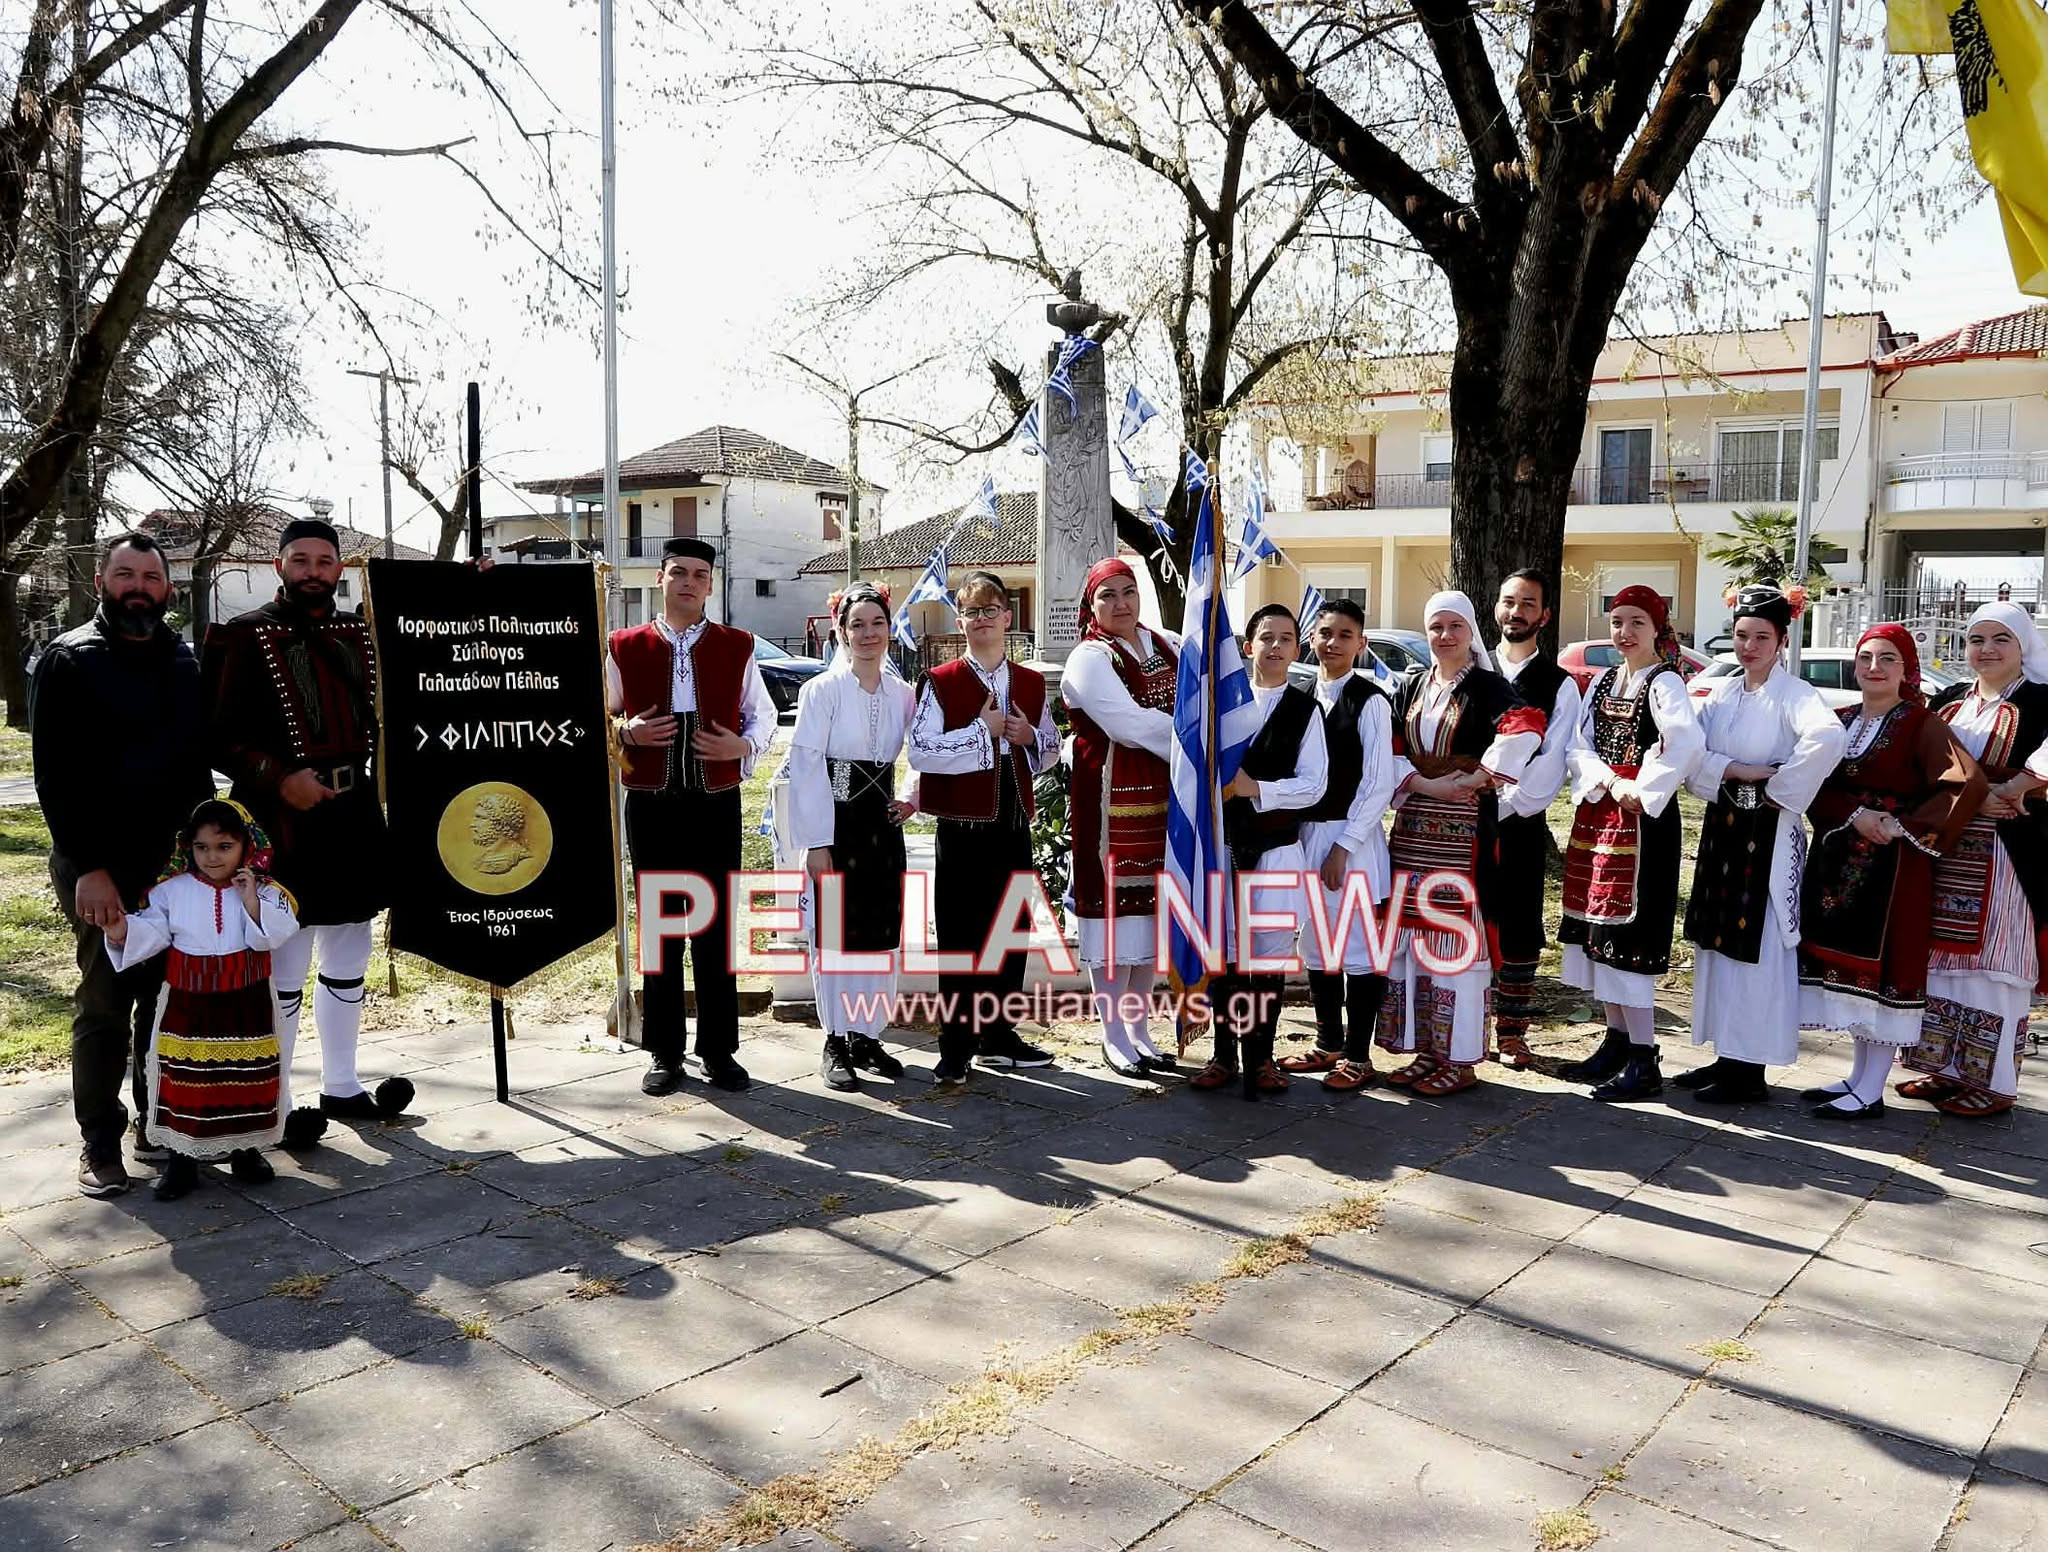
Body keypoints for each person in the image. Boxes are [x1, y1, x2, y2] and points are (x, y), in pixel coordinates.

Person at [203, 517, 409, 1137]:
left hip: (353, 814)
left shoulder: (363, 632)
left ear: (339, 570)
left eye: (325, 561)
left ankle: (342, 1086)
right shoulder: (239, 636)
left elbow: (437, 633)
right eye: (301, 560)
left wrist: (474, 587)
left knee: (350, 948)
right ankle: (278, 1098)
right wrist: (275, 775)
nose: (313, 571)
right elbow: (214, 736)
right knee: (284, 958)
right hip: (279, 819)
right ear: (280, 566)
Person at [30, 532, 216, 1197]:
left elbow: (197, 771)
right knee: (105, 1002)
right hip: (98, 864)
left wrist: (207, 860)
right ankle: (99, 1143)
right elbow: (54, 778)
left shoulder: (184, 660)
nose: (139, 586)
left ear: (168, 588)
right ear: (104, 582)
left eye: (151, 576)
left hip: (171, 865)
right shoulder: (68, 659)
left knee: (164, 1002)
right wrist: (88, 866)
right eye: (125, 574)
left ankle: (155, 1127)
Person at [607, 536, 780, 1095]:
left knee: (712, 925)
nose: (688, 581)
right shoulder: (623, 645)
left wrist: (743, 748)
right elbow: (597, 717)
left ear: (711, 583)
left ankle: (719, 1050)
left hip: (714, 800)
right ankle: (664, 1051)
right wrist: (625, 732)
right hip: (653, 799)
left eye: (699, 574)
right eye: (678, 572)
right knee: (662, 927)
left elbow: (765, 714)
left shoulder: (738, 645)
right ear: (660, 579)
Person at [1799, 625, 1985, 1117]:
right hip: (1840, 860)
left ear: (1906, 670)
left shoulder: (1920, 724)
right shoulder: (1837, 721)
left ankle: (1872, 1089)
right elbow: (1811, 781)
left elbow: (1965, 783)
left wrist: (1905, 825)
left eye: (1888, 658)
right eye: (1866, 658)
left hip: (1896, 866)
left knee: (1883, 971)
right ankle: (1859, 1077)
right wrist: (1853, 814)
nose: (1874, 667)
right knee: (1849, 969)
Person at [1677, 586, 1846, 1105]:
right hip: (1724, 827)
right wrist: (1733, 770)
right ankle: (1727, 1053)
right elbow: (1690, 746)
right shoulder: (1724, 692)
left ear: (1782, 639)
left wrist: (1776, 789)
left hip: (1767, 834)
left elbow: (1829, 739)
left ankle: (1749, 1069)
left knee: (1761, 945)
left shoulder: (1797, 695)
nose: (1748, 646)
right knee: (1720, 943)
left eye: (1761, 637)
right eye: (1741, 635)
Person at [1379, 592, 1545, 1098]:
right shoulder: (1409, 686)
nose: (1444, 636)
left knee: (1455, 944)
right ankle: (1428, 1049)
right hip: (1411, 830)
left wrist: (1482, 776)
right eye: (1435, 627)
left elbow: (1526, 725)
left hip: (1464, 832)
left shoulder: (1489, 686)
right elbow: (1388, 747)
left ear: (1471, 631)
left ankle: (1460, 1059)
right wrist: (1420, 782)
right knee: (1414, 945)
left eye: (1455, 626)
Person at [907, 571, 1061, 1084]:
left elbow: (1051, 752)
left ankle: (997, 1035)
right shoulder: (940, 681)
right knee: (960, 936)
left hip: (1013, 823)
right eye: (971, 612)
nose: (980, 620)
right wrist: (982, 731)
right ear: (960, 620)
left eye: (989, 610)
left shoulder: (1032, 682)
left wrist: (1027, 734)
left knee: (1009, 936)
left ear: (1007, 618)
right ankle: (956, 1044)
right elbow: (922, 751)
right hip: (961, 827)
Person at [104, 801, 300, 1200]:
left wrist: (249, 901)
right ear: (188, 847)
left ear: (247, 845)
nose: (212, 857)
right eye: (202, 847)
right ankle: (182, 1161)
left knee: (247, 1080)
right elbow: (153, 931)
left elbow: (275, 935)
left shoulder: (266, 891)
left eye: (224, 846)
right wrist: (122, 930)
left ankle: (245, 1150)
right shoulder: (170, 891)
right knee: (187, 1083)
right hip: (189, 1004)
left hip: (247, 1003)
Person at [1558, 586, 1704, 1102]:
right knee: (1598, 934)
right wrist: (1607, 781)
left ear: (1657, 628)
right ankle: (1616, 1040)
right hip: (1603, 809)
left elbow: (1684, 741)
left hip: (1641, 821)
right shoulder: (1601, 681)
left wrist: (1639, 788)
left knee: (1630, 936)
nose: (1625, 632)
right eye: (1618, 621)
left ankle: (1645, 1058)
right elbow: (1577, 744)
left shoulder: (1665, 683)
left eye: (1637, 622)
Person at [1905, 602, 2048, 1117]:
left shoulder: (2041, 701)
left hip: (2008, 848)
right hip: (1948, 843)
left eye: (2000, 639)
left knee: (1996, 963)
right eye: (1977, 639)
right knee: (1942, 959)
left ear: (2023, 646)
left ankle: (1997, 1082)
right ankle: (1945, 1069)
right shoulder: (1948, 702)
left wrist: (2020, 783)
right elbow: (1924, 763)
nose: (1986, 650)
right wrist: (1971, 796)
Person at [784, 584, 918, 1091]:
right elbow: (806, 765)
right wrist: (816, 841)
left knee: (880, 933)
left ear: (889, 628)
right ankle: (836, 1037)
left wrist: (910, 795)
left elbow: (925, 749)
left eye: (877, 623)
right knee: (836, 934)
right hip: (836, 825)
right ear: (840, 631)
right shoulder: (821, 690)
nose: (868, 634)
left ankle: (867, 1032)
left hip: (882, 825)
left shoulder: (901, 692)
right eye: (856, 624)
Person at [1200, 603, 1327, 1100]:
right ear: (1247, 646)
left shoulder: (1304, 709)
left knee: (1268, 961)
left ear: (1297, 649)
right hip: (1225, 847)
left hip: (1275, 849)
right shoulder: (1221, 705)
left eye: (1287, 638)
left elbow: (1314, 784)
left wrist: (1257, 788)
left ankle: (1263, 1057)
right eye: (1266, 637)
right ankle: (1223, 1055)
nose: (1276, 647)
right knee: (1228, 958)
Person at [1060, 557, 1179, 1077]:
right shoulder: (1089, 658)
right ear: (1092, 604)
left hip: (1165, 798)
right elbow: (1128, 723)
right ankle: (1112, 1034)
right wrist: (1192, 744)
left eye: (1128, 591)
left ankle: (1139, 1029)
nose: (1121, 603)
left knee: (1148, 919)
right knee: (1115, 919)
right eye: (1108, 595)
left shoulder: (1166, 643)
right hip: (1110, 795)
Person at [1277, 597, 1394, 1091]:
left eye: (1345, 635)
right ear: (1312, 638)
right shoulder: (1298, 697)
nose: (1333, 643)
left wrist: (1345, 845)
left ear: (1361, 643)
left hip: (1353, 838)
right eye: (1326, 633)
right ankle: (1328, 1043)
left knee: (1359, 948)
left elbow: (1378, 783)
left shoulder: (1370, 701)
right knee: (1317, 945)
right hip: (1306, 836)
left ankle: (1359, 1057)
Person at [1488, 569, 1582, 1069]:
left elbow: (1551, 764)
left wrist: (1497, 803)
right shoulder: (1473, 670)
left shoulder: (1559, 685)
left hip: (1519, 821)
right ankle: (1462, 1025)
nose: (1516, 612)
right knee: (1465, 919)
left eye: (1528, 604)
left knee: (1519, 924)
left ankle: (1512, 1032)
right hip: (1463, 823)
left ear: (1544, 615)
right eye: (1509, 602)